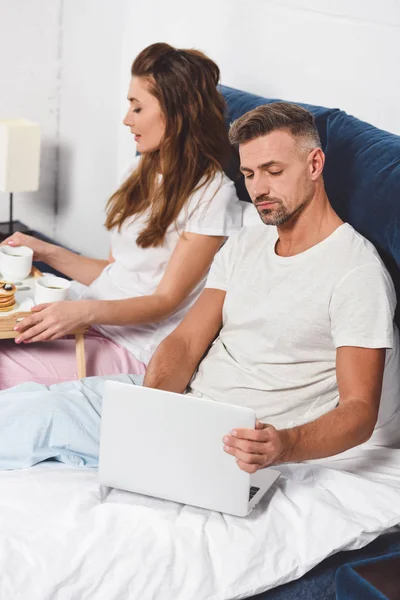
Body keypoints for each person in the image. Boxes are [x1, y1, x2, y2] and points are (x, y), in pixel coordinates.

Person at [0, 101, 398, 472]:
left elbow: (360, 411)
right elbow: (187, 341)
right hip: (180, 405)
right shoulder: (248, 241)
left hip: (238, 439)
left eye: (273, 172)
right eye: (248, 174)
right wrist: (154, 404)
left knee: (42, 423)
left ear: (314, 164)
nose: (258, 189)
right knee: (29, 402)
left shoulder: (355, 272)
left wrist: (284, 445)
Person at [0, 42, 246, 390]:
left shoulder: (212, 197)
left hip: (130, 345)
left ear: (177, 113)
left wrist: (83, 313)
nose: (126, 118)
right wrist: (45, 251)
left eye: (137, 107)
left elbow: (165, 301)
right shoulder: (138, 171)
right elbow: (115, 271)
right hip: (90, 316)